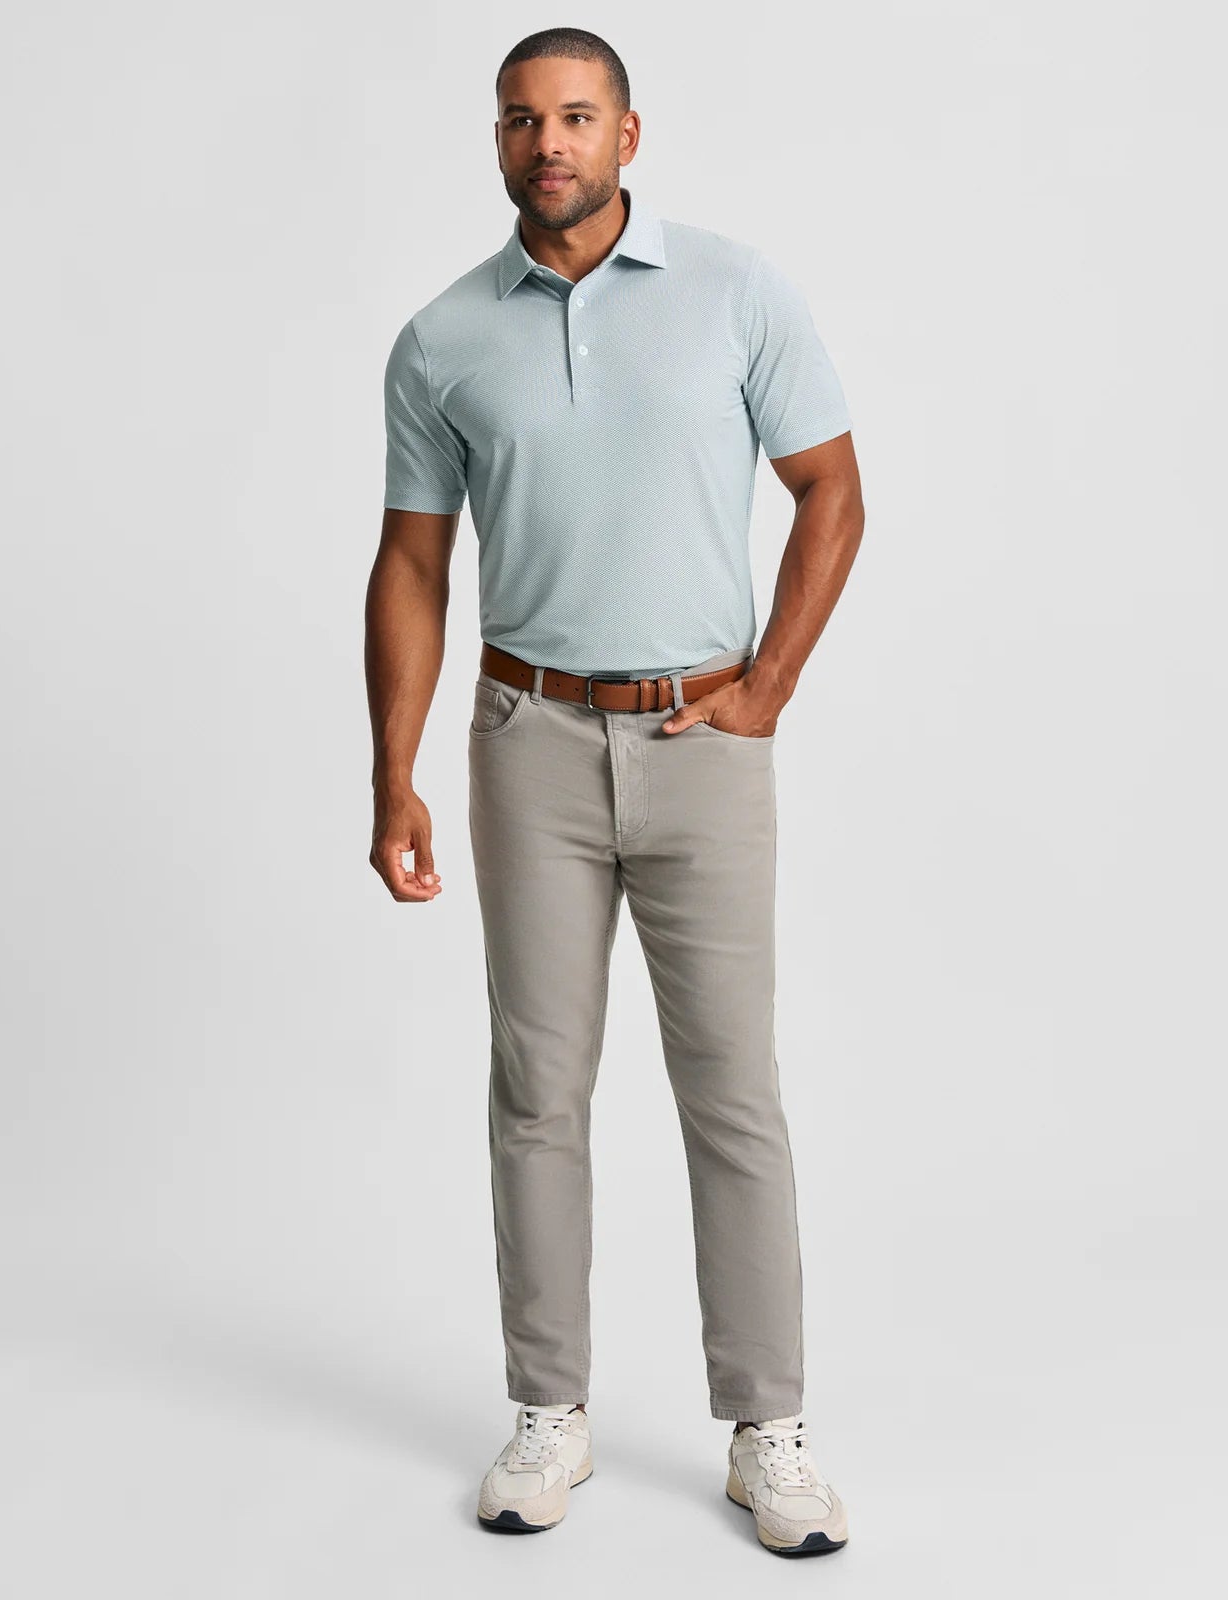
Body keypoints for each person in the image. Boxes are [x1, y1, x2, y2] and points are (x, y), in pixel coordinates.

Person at [365, 26, 865, 1557]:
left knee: (734, 1088)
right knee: (537, 1088)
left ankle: (768, 1429)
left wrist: (770, 685)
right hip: (527, 739)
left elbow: (833, 488)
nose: (550, 144)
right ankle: (549, 1412)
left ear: (628, 135)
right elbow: (412, 564)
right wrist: (394, 774)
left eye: (577, 116)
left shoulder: (735, 293)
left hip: (702, 740)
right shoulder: (442, 339)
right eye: (522, 120)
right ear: (497, 140)